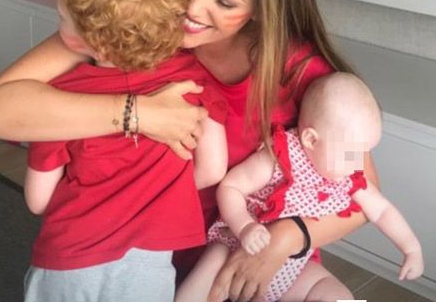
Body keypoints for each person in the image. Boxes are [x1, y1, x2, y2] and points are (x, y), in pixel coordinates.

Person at [0, 0, 379, 302]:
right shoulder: (131, 25)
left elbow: (363, 197)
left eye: (225, 1)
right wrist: (139, 114)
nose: (192, 8)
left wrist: (284, 240)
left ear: (260, 9)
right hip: (143, 259)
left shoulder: (302, 73)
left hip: (258, 258)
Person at [24, 0, 228, 302]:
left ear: (97, 44)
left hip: (68, 260)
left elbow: (38, 200)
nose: (59, 28)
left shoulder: (58, 97)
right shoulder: (193, 83)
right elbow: (212, 169)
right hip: (149, 266)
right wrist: (158, 190)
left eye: (63, 20)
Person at [176, 73, 424, 302]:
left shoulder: (348, 173)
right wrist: (245, 226)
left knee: (339, 295)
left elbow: (381, 211)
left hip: (292, 267)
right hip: (235, 247)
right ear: (311, 139)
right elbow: (231, 186)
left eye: (365, 152)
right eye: (352, 154)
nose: (359, 163)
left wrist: (411, 248)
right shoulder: (281, 158)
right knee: (205, 278)